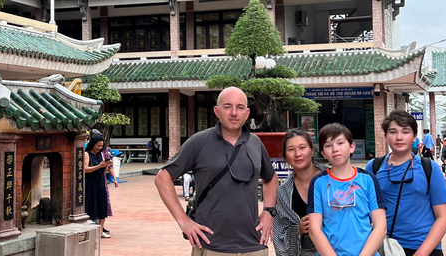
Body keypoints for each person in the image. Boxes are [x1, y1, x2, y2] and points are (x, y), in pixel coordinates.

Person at [154, 87, 278, 255]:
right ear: (216, 111)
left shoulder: (255, 143)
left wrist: (268, 211)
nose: (234, 112)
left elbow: (270, 178)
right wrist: (183, 220)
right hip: (211, 245)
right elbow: (162, 178)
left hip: (253, 245)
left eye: (240, 107)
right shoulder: (199, 142)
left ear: (247, 113)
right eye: (227, 106)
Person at [366, 110, 446, 256]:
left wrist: (421, 253)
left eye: (405, 132)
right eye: (393, 132)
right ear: (385, 136)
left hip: (423, 247)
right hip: (385, 246)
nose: (399, 137)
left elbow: (444, 216)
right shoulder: (374, 167)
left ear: (414, 137)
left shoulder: (429, 168)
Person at [308, 123, 386, 256]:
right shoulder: (318, 183)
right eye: (328, 146)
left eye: (340, 143)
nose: (335, 149)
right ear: (323, 153)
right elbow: (314, 230)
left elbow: (381, 227)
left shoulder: (368, 180)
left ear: (352, 147)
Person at [273, 128, 326, 256]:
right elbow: (279, 234)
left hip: (339, 248)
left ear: (312, 151)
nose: (297, 154)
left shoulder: (331, 178)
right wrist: (298, 229)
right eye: (291, 149)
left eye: (302, 147)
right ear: (285, 155)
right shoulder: (284, 191)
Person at [84, 135, 112, 238]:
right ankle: (87, 229)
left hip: (100, 182)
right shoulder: (87, 154)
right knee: (90, 204)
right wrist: (98, 166)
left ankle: (100, 231)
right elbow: (85, 169)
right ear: (93, 144)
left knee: (102, 205)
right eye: (98, 145)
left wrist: (106, 166)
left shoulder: (101, 154)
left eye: (101, 146)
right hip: (90, 183)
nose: (99, 148)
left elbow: (104, 171)